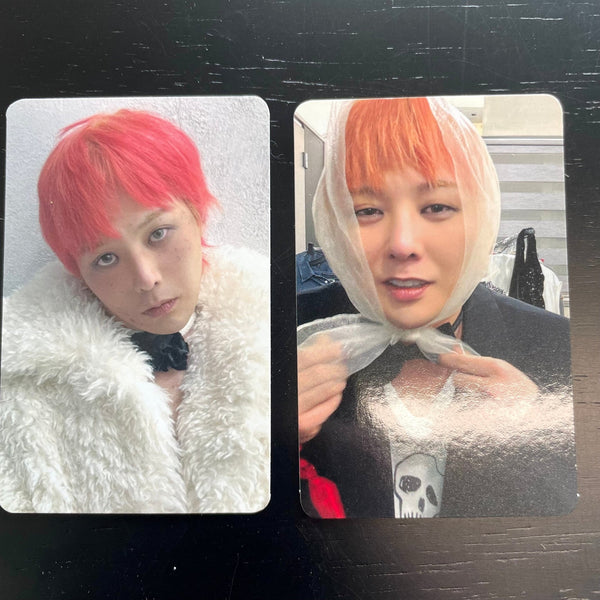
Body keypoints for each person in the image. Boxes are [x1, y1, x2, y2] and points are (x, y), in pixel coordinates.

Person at [297, 97, 576, 519]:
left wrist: (544, 441)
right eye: (367, 210)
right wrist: (269, 440)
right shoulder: (280, 339)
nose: (402, 244)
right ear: (335, 223)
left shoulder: (564, 350)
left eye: (437, 207)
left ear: (481, 216)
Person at [0, 109, 270, 513]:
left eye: (158, 233)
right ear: (79, 274)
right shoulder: (20, 391)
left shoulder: (281, 333)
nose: (146, 278)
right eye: (106, 258)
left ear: (197, 214)